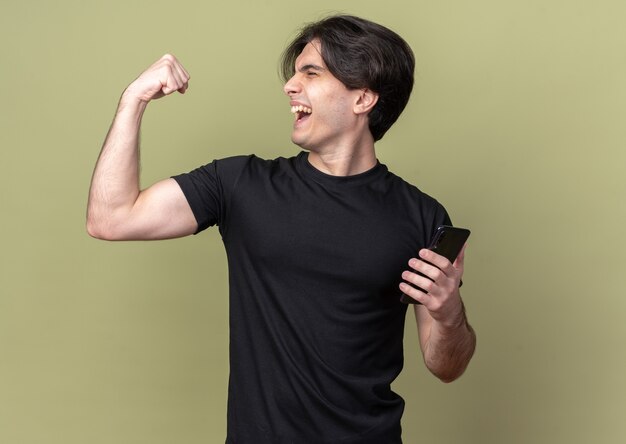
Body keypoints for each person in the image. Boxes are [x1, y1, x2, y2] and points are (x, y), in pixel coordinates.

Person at [87, 14, 476, 444]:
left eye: (311, 73)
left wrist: (448, 312)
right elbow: (110, 218)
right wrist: (133, 100)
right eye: (294, 74)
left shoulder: (422, 216)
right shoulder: (238, 185)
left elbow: (447, 366)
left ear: (363, 98)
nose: (290, 86)